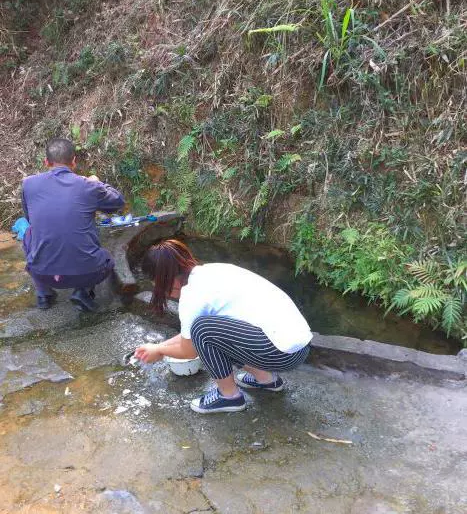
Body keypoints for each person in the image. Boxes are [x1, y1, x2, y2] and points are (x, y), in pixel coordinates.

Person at [135, 240, 312, 414]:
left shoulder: (192, 295)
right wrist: (160, 346)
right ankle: (265, 379)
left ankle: (229, 396)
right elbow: (188, 337)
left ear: (165, 279)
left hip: (282, 354)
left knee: (203, 330)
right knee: (212, 332)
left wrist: (159, 351)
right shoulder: (212, 271)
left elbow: (189, 350)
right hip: (299, 345)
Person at [21, 138, 125, 312]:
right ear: (74, 162)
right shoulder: (88, 186)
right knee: (107, 258)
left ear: (46, 162)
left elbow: (31, 220)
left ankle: (43, 293)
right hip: (88, 273)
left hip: (41, 273)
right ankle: (82, 291)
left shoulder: (28, 184)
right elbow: (118, 202)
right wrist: (96, 182)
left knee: (28, 234)